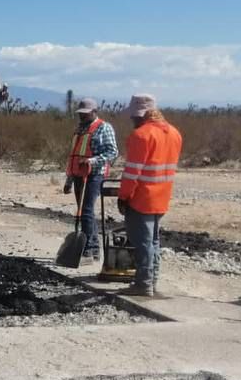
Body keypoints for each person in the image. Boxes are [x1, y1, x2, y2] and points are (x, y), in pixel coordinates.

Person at [117, 94, 182, 297]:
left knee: (143, 243)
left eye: (134, 116)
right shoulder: (174, 133)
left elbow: (132, 172)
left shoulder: (141, 135)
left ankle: (143, 284)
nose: (132, 120)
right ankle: (151, 282)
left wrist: (124, 196)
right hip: (162, 197)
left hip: (142, 198)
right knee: (153, 242)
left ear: (141, 114)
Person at [65, 97, 119, 263]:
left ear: (94, 112)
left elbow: (113, 152)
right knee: (83, 211)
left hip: (95, 175)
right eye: (80, 114)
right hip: (78, 175)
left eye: (85, 114)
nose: (82, 116)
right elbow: (73, 155)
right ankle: (93, 248)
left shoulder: (104, 128)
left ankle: (90, 248)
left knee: (86, 211)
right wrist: (69, 180)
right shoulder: (79, 130)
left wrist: (92, 161)